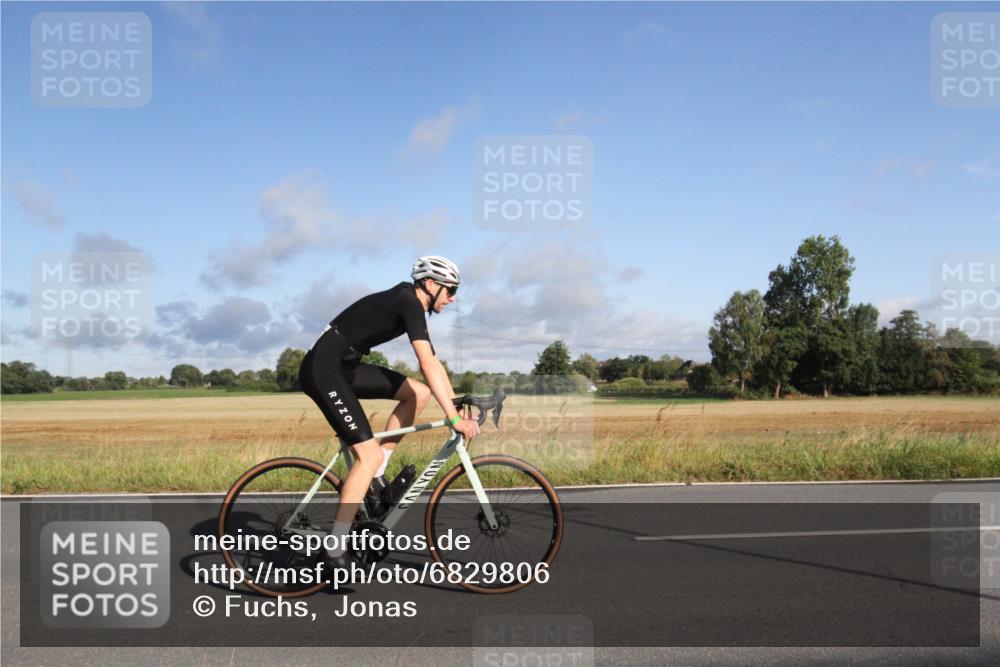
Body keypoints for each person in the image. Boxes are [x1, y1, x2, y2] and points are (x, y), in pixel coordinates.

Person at [298, 256, 480, 569]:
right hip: (324, 369)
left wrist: (456, 402)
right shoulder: (407, 301)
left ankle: (377, 474)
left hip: (346, 365)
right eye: (450, 290)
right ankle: (334, 549)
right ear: (431, 284)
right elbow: (427, 363)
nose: (453, 298)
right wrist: (452, 417)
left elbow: (432, 365)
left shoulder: (412, 303)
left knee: (418, 394)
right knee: (365, 456)